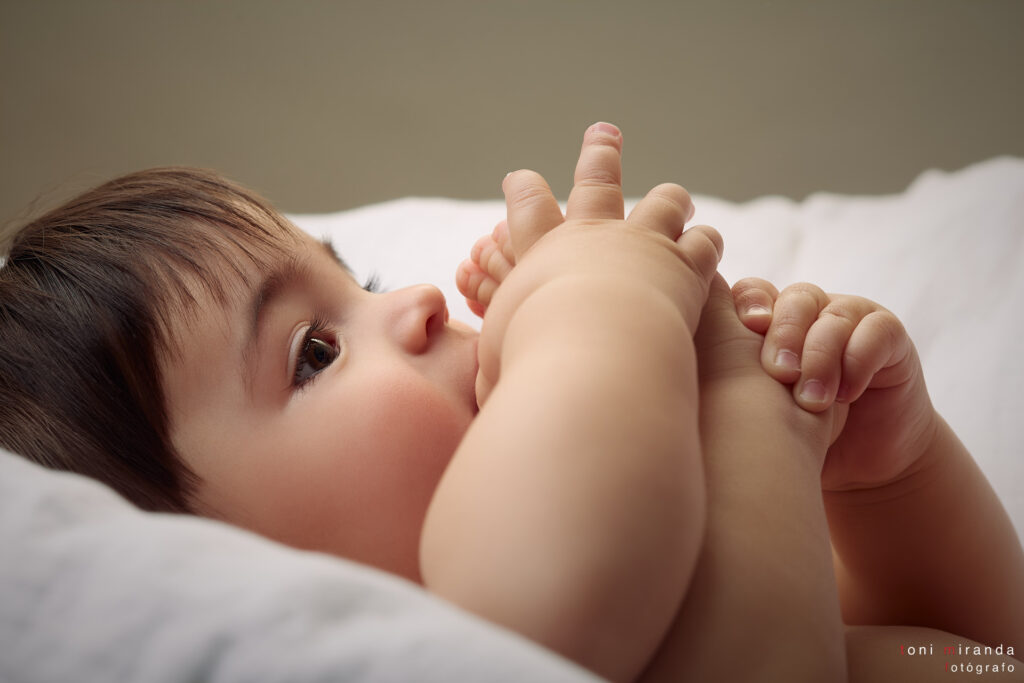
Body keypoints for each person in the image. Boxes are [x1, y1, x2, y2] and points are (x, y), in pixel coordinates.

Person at [0, 123, 1020, 682]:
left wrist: (891, 475)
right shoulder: (481, 639)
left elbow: (981, 652)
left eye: (354, 277)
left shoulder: (677, 567)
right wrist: (617, 309)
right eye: (315, 351)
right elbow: (552, 603)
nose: (413, 299)